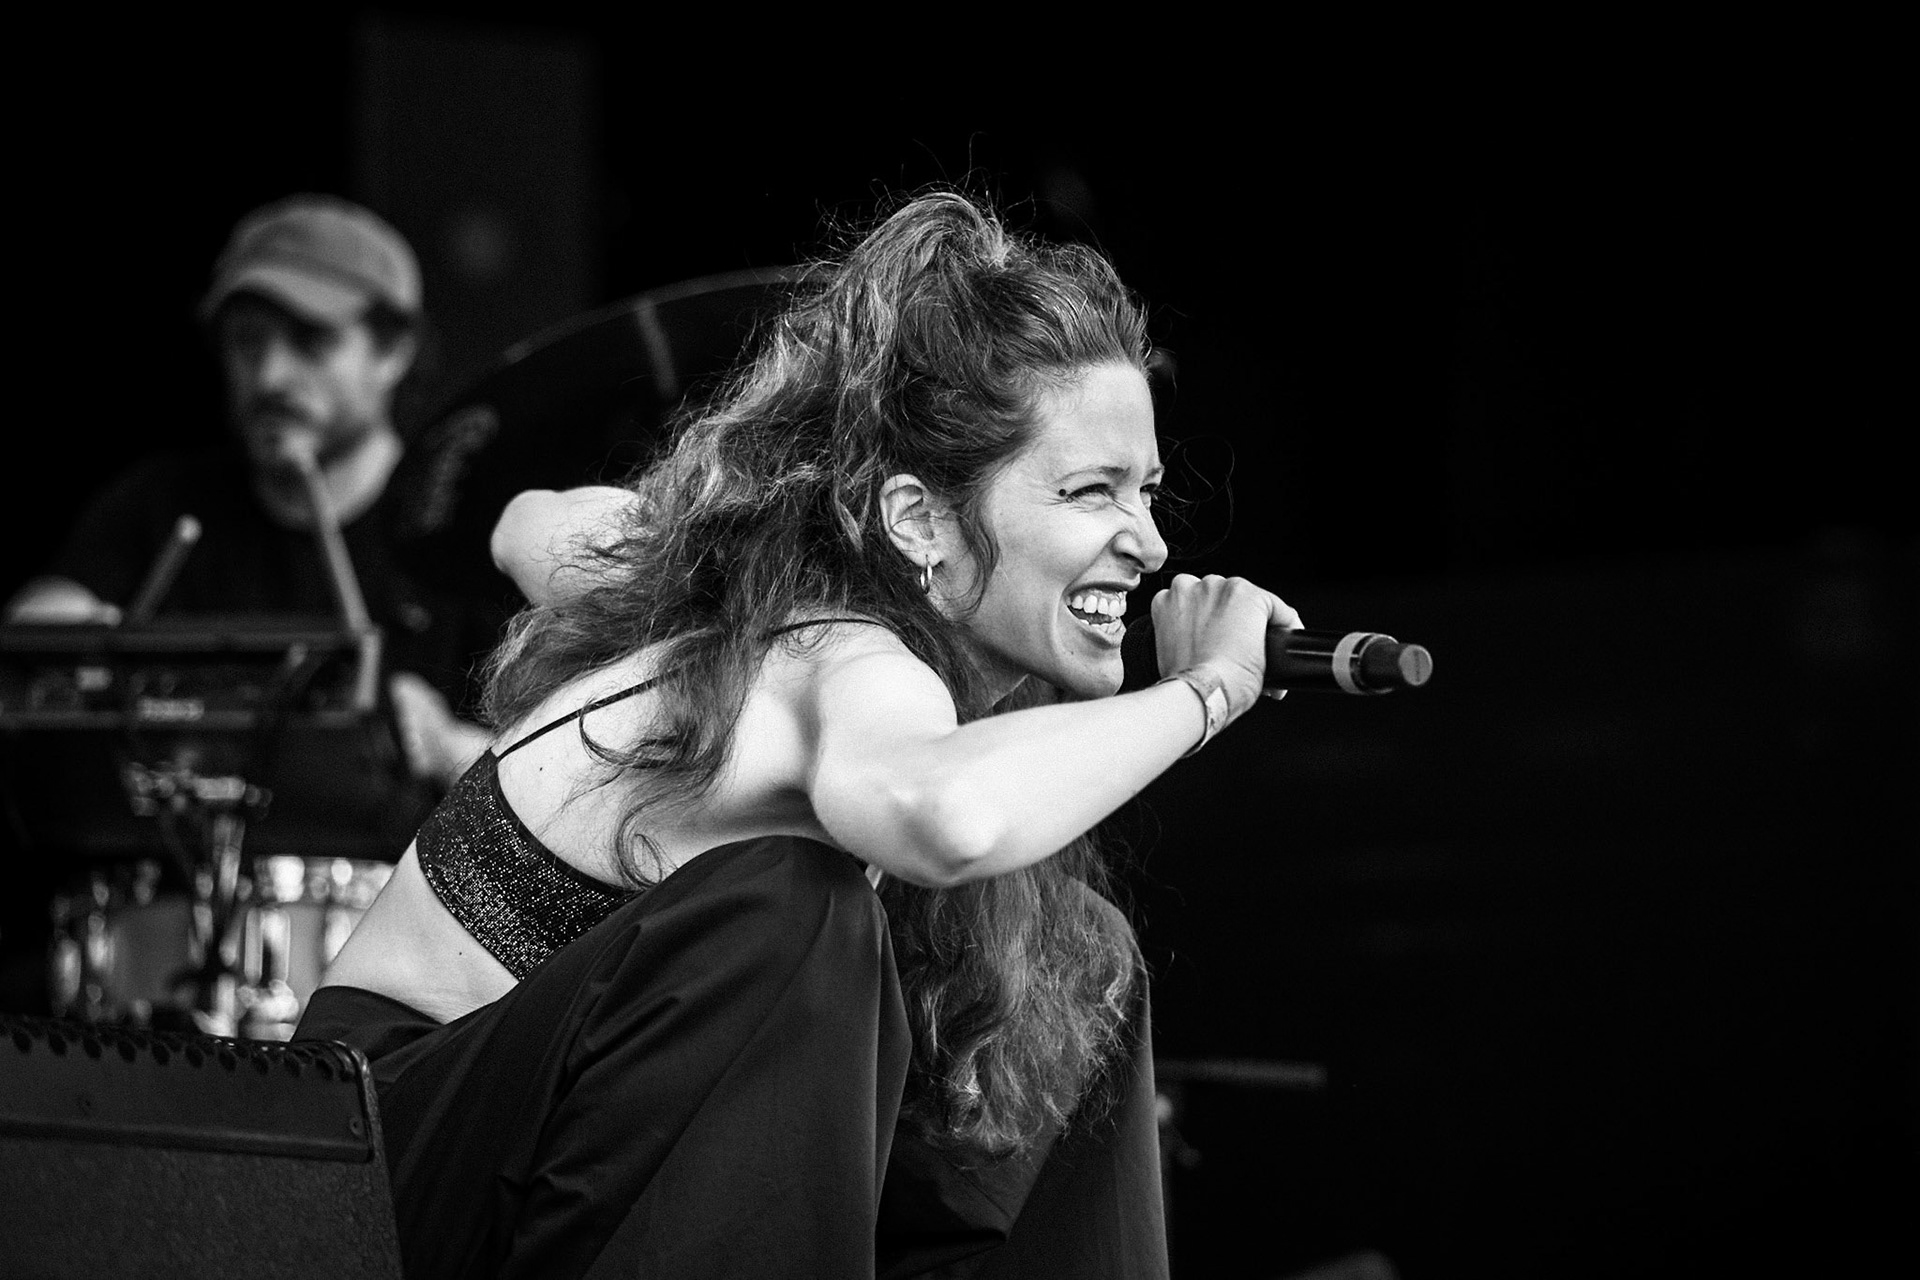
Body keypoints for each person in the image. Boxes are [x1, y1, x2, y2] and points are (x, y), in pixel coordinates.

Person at [295, 190, 1299, 1278]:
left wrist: (661, 550)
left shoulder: (741, 593)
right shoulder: (833, 650)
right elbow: (943, 813)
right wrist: (1211, 688)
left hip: (551, 1151)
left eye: (1146, 490)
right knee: (796, 906)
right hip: (372, 1158)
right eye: (1089, 490)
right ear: (918, 521)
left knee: (1077, 957)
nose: (1148, 541)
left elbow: (527, 527)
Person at [5, 194, 494, 788]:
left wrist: (450, 748)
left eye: (311, 342)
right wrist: (63, 648)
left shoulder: (470, 528)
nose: (269, 377)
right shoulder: (162, 500)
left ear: (392, 352)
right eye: (247, 342)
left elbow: (575, 777)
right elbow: (39, 630)